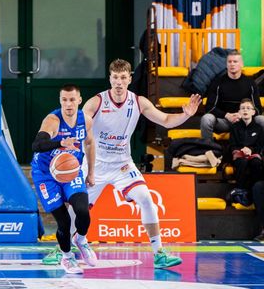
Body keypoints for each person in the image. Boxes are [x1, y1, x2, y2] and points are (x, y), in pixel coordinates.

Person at [83, 59, 202, 268]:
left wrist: (185, 115)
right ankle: (62, 248)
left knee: (146, 199)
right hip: (96, 163)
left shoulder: (139, 102)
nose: (119, 82)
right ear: (110, 79)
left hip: (122, 165)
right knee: (78, 207)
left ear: (129, 79)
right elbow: (79, 127)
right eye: (115, 77)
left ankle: (159, 253)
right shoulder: (96, 102)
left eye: (123, 78)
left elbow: (166, 121)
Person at [31, 84, 97, 274]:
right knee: (64, 222)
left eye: (72, 100)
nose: (68, 104)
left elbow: (90, 144)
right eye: (64, 100)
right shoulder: (53, 120)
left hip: (70, 170)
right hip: (46, 174)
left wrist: (91, 172)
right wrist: (60, 143)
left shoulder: (85, 120)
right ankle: (67, 257)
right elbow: (37, 145)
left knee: (83, 211)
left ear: (79, 100)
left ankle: (81, 239)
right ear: (60, 101)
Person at [201, 50, 264, 140]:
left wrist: (243, 115)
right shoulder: (217, 83)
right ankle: (209, 146)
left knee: (262, 120)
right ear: (226, 64)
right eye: (229, 62)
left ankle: (263, 148)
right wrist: (226, 115)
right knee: (206, 119)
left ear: (241, 64)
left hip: (245, 120)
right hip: (224, 122)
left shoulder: (250, 83)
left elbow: (258, 109)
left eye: (235, 61)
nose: (232, 64)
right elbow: (209, 107)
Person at [228, 99, 264, 206]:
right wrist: (241, 150)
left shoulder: (258, 128)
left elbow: (260, 146)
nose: (245, 110)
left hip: (253, 154)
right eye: (243, 108)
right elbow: (232, 145)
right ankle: (240, 190)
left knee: (256, 163)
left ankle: (255, 191)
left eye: (248, 108)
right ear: (239, 112)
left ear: (253, 112)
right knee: (242, 162)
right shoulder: (234, 127)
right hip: (239, 154)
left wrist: (251, 150)